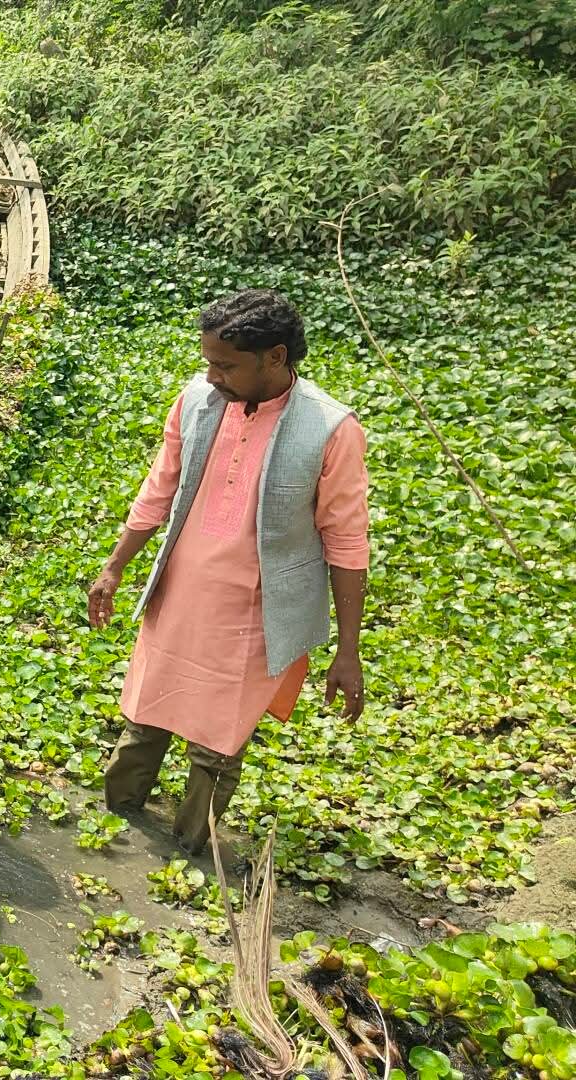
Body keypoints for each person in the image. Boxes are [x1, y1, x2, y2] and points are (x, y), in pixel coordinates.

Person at [87, 289, 369, 855]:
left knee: (219, 742)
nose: (212, 375)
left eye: (225, 365)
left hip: (254, 614)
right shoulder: (195, 400)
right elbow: (159, 488)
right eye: (208, 361)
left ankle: (186, 850)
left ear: (276, 357)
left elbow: (347, 541)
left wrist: (348, 649)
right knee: (146, 714)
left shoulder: (331, 429)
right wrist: (116, 567)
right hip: (181, 593)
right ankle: (115, 820)